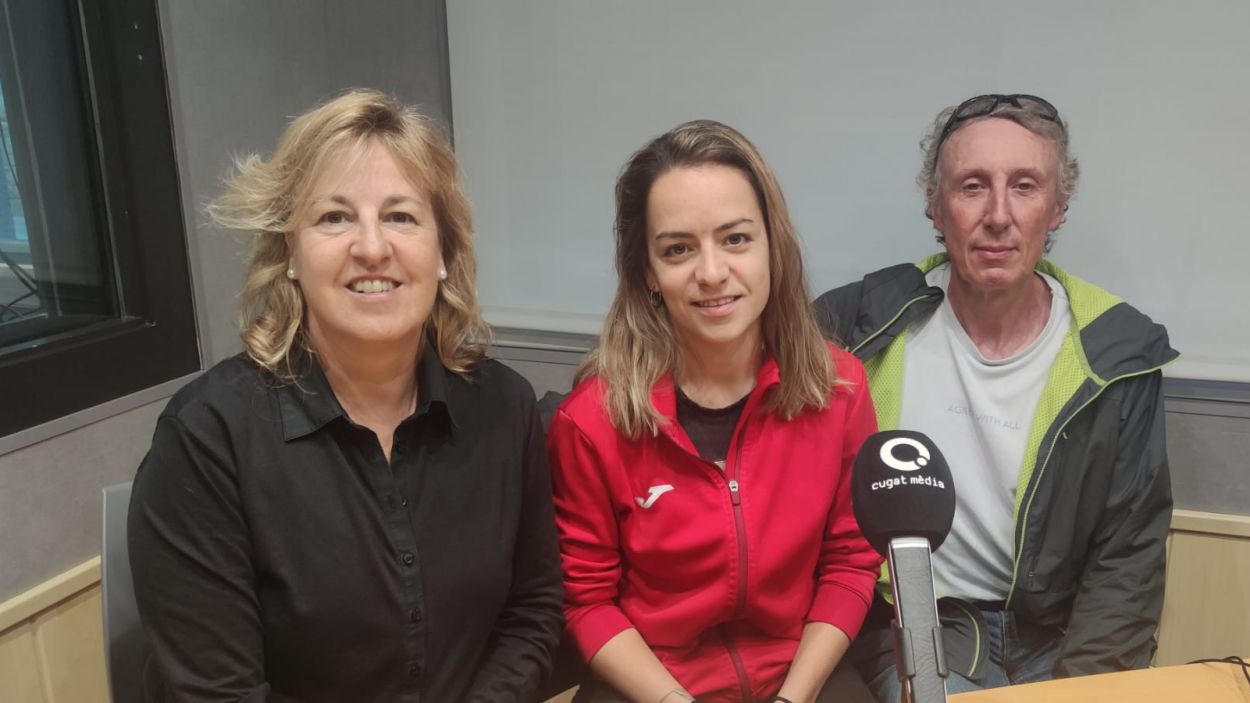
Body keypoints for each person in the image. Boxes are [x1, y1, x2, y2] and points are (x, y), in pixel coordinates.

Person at [128, 89, 563, 702]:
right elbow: (218, 694)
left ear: (443, 254)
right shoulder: (207, 437)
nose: (372, 246)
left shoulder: (504, 408)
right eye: (334, 217)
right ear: (290, 256)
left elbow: (533, 613)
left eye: (401, 216)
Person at [815, 94, 1178, 700]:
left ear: (1057, 207)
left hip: (1059, 636)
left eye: (1026, 186)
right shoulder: (856, 327)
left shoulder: (1117, 354)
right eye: (973, 186)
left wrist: (1081, 692)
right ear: (936, 205)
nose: (998, 214)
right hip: (918, 630)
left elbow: (1128, 559)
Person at [547, 120, 882, 703]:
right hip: (651, 682)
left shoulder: (841, 389)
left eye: (735, 239)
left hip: (797, 673)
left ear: (772, 247)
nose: (711, 272)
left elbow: (850, 564)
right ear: (648, 274)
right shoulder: (590, 421)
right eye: (678, 249)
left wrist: (791, 699)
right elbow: (588, 601)